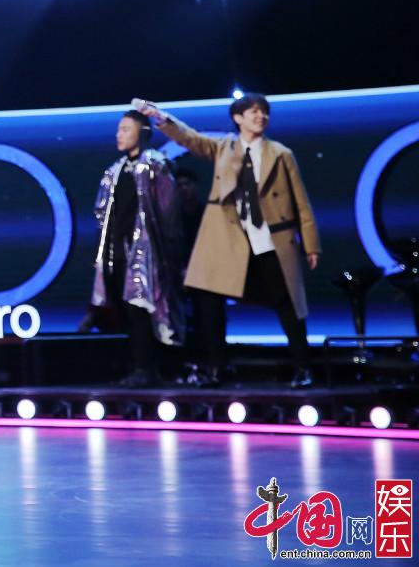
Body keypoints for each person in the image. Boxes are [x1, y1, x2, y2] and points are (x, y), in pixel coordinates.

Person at [137, 94, 320, 387]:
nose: (260, 117)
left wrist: (311, 244)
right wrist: (161, 118)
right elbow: (190, 138)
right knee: (209, 300)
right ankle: (217, 367)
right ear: (238, 118)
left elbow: (301, 201)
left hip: (269, 237)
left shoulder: (280, 153)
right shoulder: (224, 147)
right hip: (229, 239)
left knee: (287, 302)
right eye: (254, 112)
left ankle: (303, 368)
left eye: (264, 112)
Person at [87, 110, 183, 387]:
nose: (119, 135)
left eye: (126, 129)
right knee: (125, 309)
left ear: (142, 133)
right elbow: (103, 212)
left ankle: (148, 368)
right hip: (117, 250)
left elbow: (168, 211)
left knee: (143, 307)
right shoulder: (115, 170)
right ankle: (137, 366)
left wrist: (171, 252)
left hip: (147, 251)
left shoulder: (155, 166)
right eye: (119, 129)